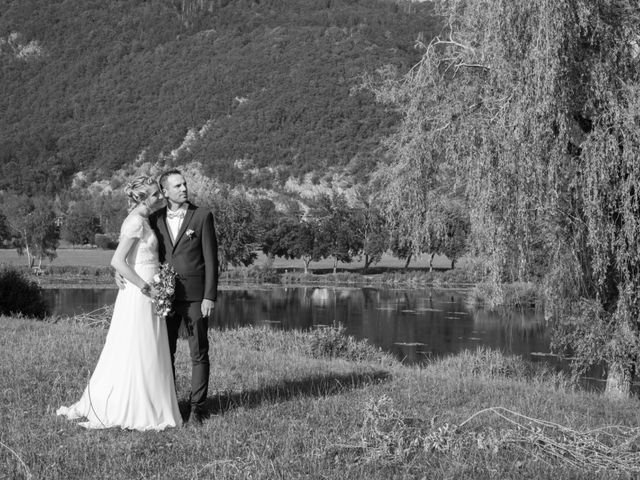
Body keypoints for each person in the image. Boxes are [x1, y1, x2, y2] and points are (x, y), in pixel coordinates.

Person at [57, 177, 182, 431]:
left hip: (149, 290)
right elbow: (117, 260)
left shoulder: (144, 220)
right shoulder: (136, 221)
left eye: (159, 193)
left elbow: (133, 259)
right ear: (141, 198)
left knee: (148, 347)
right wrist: (146, 287)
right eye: (155, 194)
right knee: (137, 346)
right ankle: (132, 405)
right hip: (139, 294)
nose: (160, 197)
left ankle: (152, 403)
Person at [149, 169, 219, 426]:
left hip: (196, 298)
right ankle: (168, 403)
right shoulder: (155, 218)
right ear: (165, 192)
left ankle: (198, 408)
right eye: (177, 186)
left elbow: (212, 261)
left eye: (185, 184)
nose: (184, 188)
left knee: (199, 353)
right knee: (165, 353)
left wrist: (209, 296)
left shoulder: (202, 216)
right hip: (166, 298)